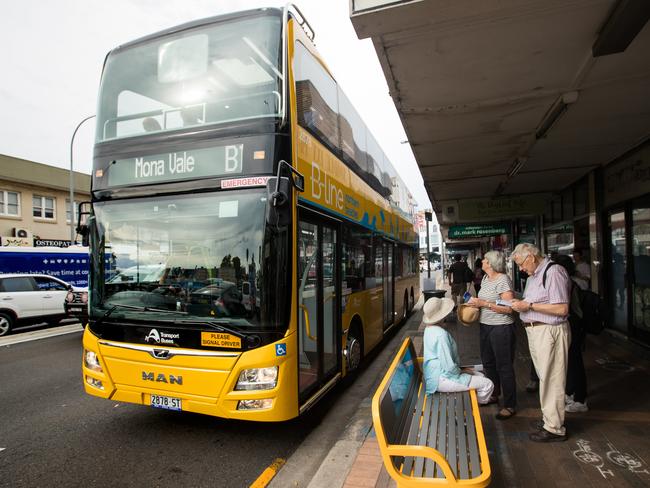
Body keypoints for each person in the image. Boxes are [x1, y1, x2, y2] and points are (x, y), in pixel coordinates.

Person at [510, 243, 571, 442]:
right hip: (537, 331)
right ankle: (549, 420)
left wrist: (529, 305)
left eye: (520, 264)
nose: (520, 269)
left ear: (531, 257)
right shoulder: (535, 276)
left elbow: (561, 309)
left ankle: (554, 428)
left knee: (552, 379)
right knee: (546, 377)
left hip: (549, 331)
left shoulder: (554, 272)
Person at [467, 251, 517, 420]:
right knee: (489, 363)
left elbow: (509, 307)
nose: (482, 261)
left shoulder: (503, 280)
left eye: (486, 259)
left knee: (504, 365)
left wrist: (484, 303)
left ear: (492, 263)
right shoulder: (486, 279)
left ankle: (510, 404)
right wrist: (475, 303)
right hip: (485, 326)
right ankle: (494, 394)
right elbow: (485, 301)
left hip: (501, 327)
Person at [422, 297, 494, 404]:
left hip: (433, 375)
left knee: (480, 375)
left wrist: (465, 371)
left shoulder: (428, 330)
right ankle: (475, 405)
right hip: (441, 379)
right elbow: (449, 367)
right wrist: (463, 371)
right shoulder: (441, 335)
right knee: (488, 384)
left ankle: (475, 400)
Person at [554, 255, 589, 413]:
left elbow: (564, 307)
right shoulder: (573, 280)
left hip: (574, 323)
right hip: (577, 323)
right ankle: (571, 392)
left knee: (574, 362)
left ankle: (580, 400)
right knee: (572, 361)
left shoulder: (566, 282)